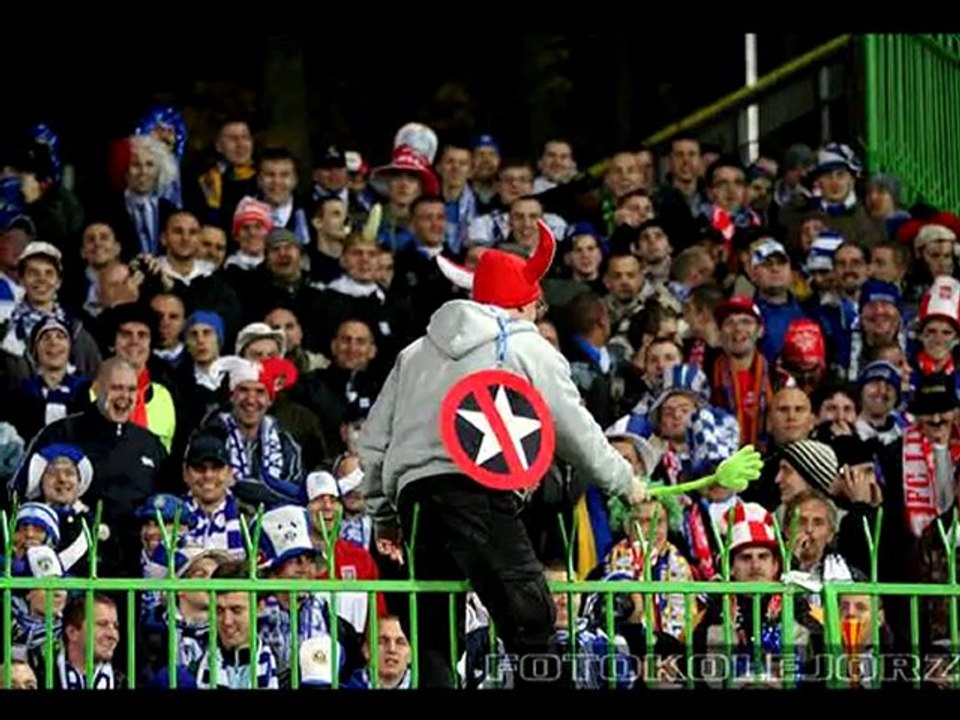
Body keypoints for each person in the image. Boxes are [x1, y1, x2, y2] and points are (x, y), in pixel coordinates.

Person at [359, 220, 648, 688]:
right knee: (531, 615)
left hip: (415, 501)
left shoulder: (414, 353)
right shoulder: (526, 345)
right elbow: (574, 428)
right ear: (525, 301)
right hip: (478, 490)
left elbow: (373, 442)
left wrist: (384, 515)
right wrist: (623, 481)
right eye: (537, 301)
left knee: (434, 632)